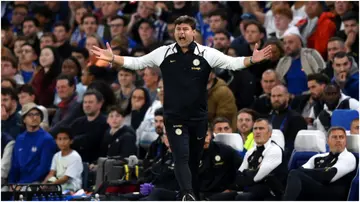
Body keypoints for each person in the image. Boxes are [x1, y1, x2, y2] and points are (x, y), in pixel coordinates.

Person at [91, 15, 272, 201]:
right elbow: (138, 62)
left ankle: (192, 196)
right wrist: (113, 58)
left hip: (199, 118)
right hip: (174, 117)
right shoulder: (164, 52)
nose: (181, 32)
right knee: (181, 156)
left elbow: (232, 63)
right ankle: (187, 194)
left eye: (185, 29)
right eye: (178, 29)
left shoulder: (206, 53)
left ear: (193, 32)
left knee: (193, 160)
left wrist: (252, 59)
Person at [208, 118, 287, 201]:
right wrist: (249, 173)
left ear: (270, 133)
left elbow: (257, 177)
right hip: (251, 189)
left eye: (261, 128)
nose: (257, 131)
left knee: (241, 197)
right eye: (255, 129)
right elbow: (239, 175)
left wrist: (247, 173)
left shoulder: (274, 150)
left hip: (271, 192)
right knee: (217, 198)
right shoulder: (251, 151)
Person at [283, 126, 357, 201]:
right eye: (334, 137)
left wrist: (305, 173)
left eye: (341, 137)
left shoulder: (349, 157)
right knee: (295, 178)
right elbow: (301, 170)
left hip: (333, 196)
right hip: (317, 192)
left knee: (295, 174)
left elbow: (329, 176)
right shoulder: (317, 157)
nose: (338, 140)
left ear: (345, 141)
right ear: (327, 141)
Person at [8, 103, 57, 184]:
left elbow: (44, 168)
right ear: (24, 119)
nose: (34, 117)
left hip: (37, 183)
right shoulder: (20, 138)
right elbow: (15, 165)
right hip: (20, 183)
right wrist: (11, 184)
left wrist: (23, 183)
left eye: (37, 114)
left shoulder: (47, 139)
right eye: (30, 115)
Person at [43, 127, 83, 192]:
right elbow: (51, 173)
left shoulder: (75, 157)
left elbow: (65, 179)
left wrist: (50, 185)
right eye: (59, 139)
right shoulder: (56, 156)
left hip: (72, 189)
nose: (62, 142)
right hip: (58, 187)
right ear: (56, 141)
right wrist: (43, 184)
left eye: (65, 139)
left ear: (71, 141)